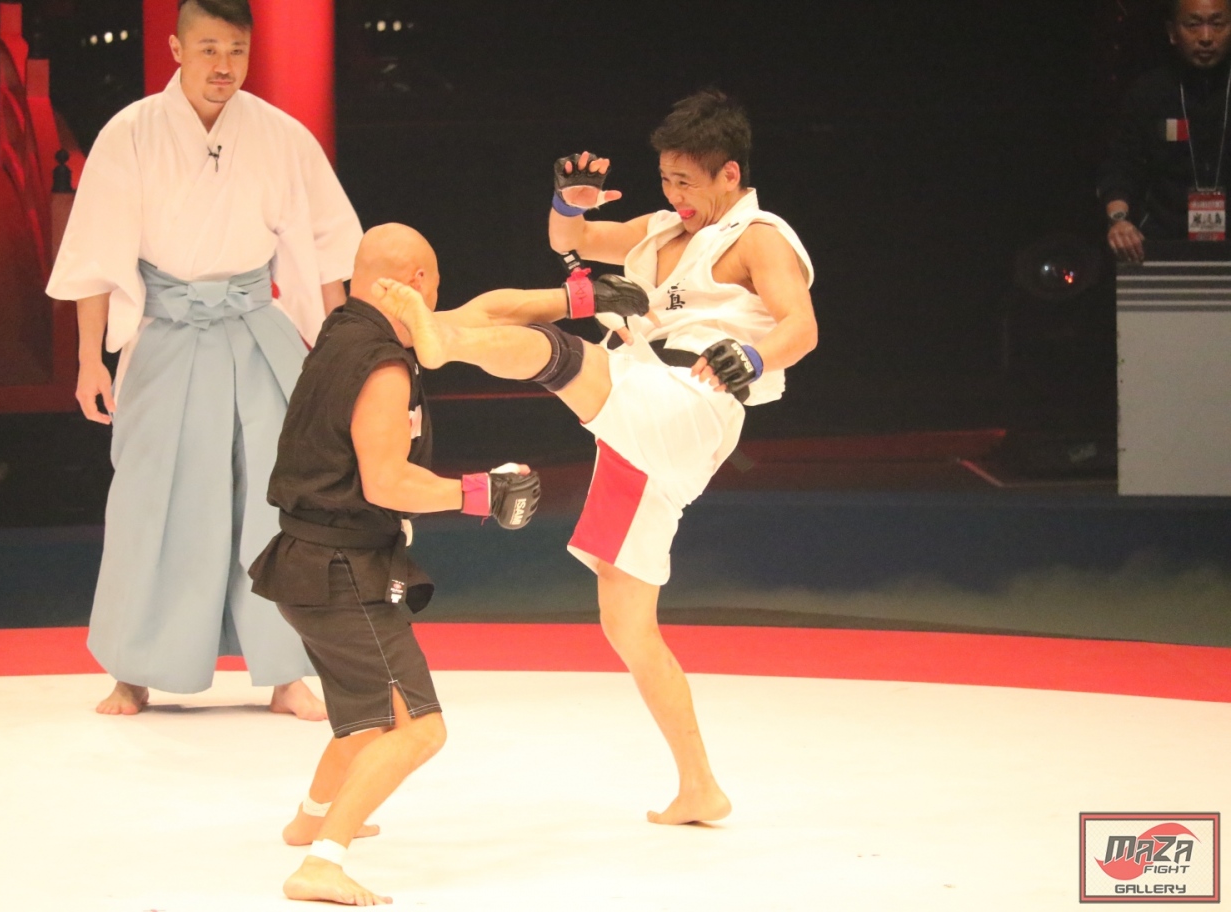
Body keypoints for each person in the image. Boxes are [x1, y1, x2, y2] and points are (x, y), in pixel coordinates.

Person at [372, 89, 817, 827]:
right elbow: (569, 238)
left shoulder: (759, 237)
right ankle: (700, 786)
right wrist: (569, 205)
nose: (674, 195)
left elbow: (801, 326)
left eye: (687, 182)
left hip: (692, 401)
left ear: (730, 175)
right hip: (638, 413)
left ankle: (439, 342)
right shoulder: (659, 229)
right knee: (626, 621)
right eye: (666, 179)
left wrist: (754, 354)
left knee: (560, 354)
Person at [45, 0, 362, 717]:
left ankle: (287, 673)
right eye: (210, 48)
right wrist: (90, 361)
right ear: (177, 49)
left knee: (281, 504)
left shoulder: (281, 135)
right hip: (166, 332)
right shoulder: (130, 133)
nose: (224, 65)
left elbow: (329, 253)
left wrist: (340, 356)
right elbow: (95, 257)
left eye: (237, 51)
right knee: (149, 502)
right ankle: (132, 670)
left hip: (257, 331)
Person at [248, 223, 543, 905]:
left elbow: (487, 314)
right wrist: (480, 494)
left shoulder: (338, 333)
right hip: (343, 571)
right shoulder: (382, 365)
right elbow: (385, 482)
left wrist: (572, 298)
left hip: (306, 562)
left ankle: (310, 820)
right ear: (415, 282)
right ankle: (323, 861)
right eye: (432, 289)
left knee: (367, 717)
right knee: (419, 727)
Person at [1100, 0, 1231, 262]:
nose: (1206, 37)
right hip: (1162, 244)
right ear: (1172, 32)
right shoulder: (1148, 93)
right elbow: (1121, 167)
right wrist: (1119, 221)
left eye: (1217, 24)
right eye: (1193, 25)